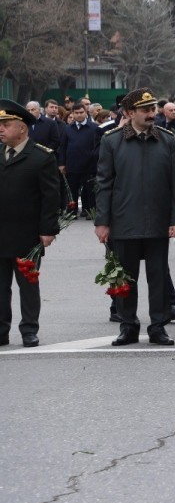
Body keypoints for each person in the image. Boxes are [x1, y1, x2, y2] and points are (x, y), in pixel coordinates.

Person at [94, 88, 175, 346]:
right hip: (124, 220)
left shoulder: (166, 139)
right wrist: (102, 221)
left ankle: (158, 326)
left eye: (153, 109)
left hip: (158, 220)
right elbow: (103, 183)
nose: (151, 114)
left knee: (158, 277)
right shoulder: (112, 141)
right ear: (129, 113)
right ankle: (128, 326)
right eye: (145, 110)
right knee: (125, 277)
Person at [0, 100, 59, 347]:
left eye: (6, 124)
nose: (1, 129)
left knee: (28, 285)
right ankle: (1, 330)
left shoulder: (41, 157)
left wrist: (48, 230)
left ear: (22, 128)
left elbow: (50, 197)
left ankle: (29, 329)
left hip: (27, 234)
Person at [62, 103, 101, 217]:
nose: (79, 115)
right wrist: (61, 163)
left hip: (89, 165)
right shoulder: (68, 128)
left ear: (86, 112)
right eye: (76, 113)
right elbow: (63, 147)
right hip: (72, 165)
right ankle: (72, 211)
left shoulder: (94, 128)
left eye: (81, 112)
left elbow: (98, 146)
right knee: (72, 190)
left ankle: (90, 211)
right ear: (73, 114)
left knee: (90, 190)